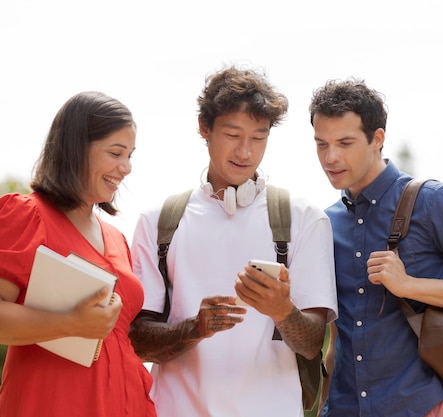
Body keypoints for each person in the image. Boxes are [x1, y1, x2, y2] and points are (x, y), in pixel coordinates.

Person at [129, 66, 338, 417]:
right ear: (204, 128)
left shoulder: (305, 219)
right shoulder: (158, 222)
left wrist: (282, 311)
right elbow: (138, 341)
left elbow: (313, 343)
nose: (245, 151)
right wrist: (195, 328)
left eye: (259, 138)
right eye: (233, 134)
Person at [308, 78, 443, 417]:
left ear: (377, 139)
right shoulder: (326, 224)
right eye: (321, 144)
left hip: (421, 407)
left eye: (345, 143)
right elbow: (339, 339)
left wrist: (409, 286)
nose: (330, 157)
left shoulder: (433, 202)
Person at [0, 92, 156, 417]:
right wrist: (70, 323)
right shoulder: (27, 215)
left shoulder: (117, 238)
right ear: (77, 149)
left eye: (131, 155)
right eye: (115, 153)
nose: (127, 167)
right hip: (53, 402)